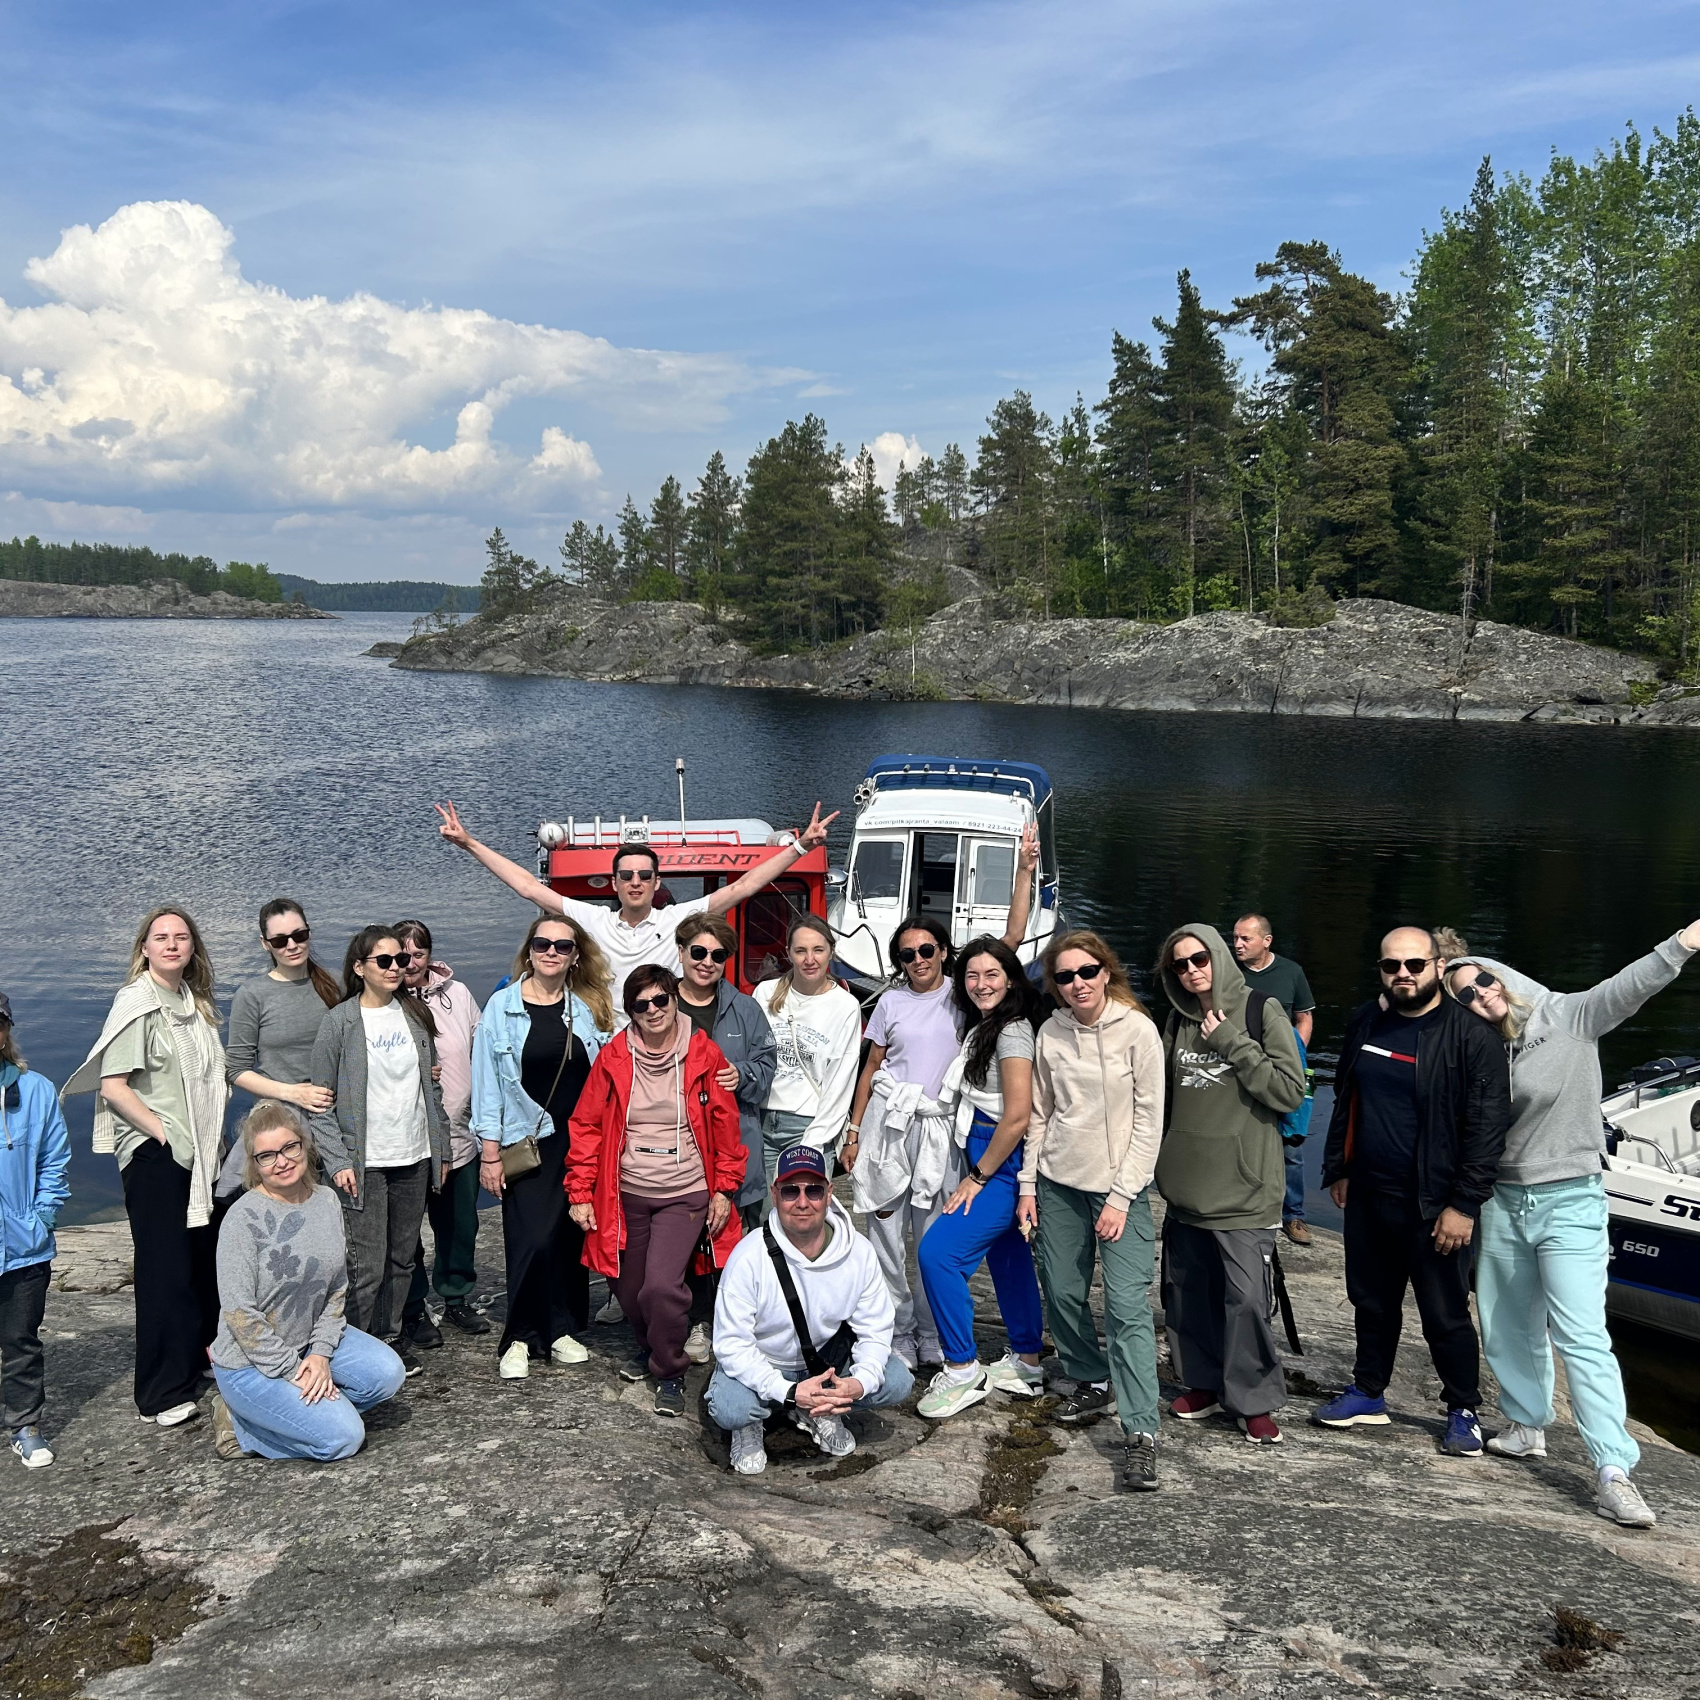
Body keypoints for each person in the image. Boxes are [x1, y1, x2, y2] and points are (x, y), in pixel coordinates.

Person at [1439, 919, 1700, 1529]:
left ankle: (1614, 1469)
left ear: (1497, 972)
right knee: (1505, 1322)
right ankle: (1527, 1424)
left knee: (1582, 1334)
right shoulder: (1475, 1052)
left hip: (1572, 1201)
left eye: (1482, 980)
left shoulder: (1569, 1017)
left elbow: (1627, 987)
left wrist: (1682, 945)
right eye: (1466, 997)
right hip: (1502, 1201)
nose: (1481, 994)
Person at [1315, 927, 1511, 1456]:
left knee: (1444, 1313)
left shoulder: (1471, 1036)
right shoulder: (1367, 1020)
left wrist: (1463, 1204)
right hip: (1369, 1195)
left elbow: (1486, 1127)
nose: (1403, 974)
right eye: (1391, 965)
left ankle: (1463, 1409)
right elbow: (1346, 1098)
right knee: (1371, 1301)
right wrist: (1340, 1167)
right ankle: (1368, 1393)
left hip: (1435, 1204)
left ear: (1437, 968)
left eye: (1415, 965)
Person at [848, 829, 1038, 1370]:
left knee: (932, 1235)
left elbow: (1011, 940)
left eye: (927, 950)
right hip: (890, 1125)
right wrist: (854, 1132)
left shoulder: (964, 994)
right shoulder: (888, 1004)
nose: (917, 960)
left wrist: (1023, 873)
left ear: (944, 953)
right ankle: (897, 1331)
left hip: (941, 1130)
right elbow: (873, 1067)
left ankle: (933, 1332)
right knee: (885, 1235)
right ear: (899, 960)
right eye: (907, 954)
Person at [433, 798, 838, 1020]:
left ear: (657, 883)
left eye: (645, 875)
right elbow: (525, 886)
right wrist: (469, 843)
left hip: (664, 1039)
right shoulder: (593, 920)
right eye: (626, 875)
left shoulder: (676, 920)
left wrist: (801, 846)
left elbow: (747, 885)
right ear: (614, 884)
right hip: (609, 1043)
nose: (635, 882)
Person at [64, 907, 229, 1426]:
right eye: (162, 938)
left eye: (181, 937)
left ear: (192, 948)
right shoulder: (136, 1003)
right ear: (145, 949)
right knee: (165, 1271)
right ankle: (159, 1393)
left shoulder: (193, 1002)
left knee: (201, 1259)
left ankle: (197, 1358)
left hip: (198, 1154)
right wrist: (164, 1133)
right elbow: (113, 1085)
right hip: (157, 1156)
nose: (172, 945)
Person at [1016, 931, 1167, 1492]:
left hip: (1117, 1188)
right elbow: (1039, 1113)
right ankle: (1089, 1376)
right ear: (1054, 985)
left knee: (1127, 1309)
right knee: (1061, 1290)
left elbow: (1150, 1121)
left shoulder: (1138, 1031)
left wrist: (1123, 1195)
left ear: (1106, 972)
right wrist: (1028, 1185)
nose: (1077, 983)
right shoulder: (1050, 1033)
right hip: (1057, 1182)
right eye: (1064, 976)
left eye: (1087, 972)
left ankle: (1141, 1433)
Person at [566, 965, 744, 1417]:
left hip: (684, 1193)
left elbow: (725, 1126)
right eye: (641, 1005)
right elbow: (585, 1125)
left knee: (661, 1288)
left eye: (660, 1000)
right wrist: (580, 1192)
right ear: (631, 1011)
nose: (653, 1010)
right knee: (627, 1290)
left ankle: (669, 1370)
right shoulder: (613, 1057)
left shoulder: (704, 1055)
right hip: (624, 1193)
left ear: (674, 1000)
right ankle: (654, 1350)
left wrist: (723, 1188)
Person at [1155, 923, 1308, 1447]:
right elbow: (1165, 1100)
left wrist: (1230, 1042)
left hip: (1243, 1191)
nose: (1192, 970)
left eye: (1200, 958)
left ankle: (1255, 1400)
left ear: (1219, 956)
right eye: (1179, 964)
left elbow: (1289, 1091)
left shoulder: (1260, 1009)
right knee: (1187, 1294)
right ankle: (1201, 1382)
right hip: (1186, 1189)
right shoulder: (1176, 1019)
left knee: (1245, 1299)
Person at [208, 1103, 407, 1461]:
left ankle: (301, 1414)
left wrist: (319, 1355)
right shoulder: (241, 1220)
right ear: (254, 1163)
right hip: (250, 1363)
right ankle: (240, 1427)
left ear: (304, 1145)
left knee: (387, 1373)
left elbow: (335, 1290)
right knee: (343, 1439)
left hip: (307, 1344)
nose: (281, 1161)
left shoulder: (327, 1200)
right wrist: (293, 1370)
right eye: (266, 1156)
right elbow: (239, 1313)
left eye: (289, 1148)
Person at [707, 1145, 913, 1474]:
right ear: (774, 1195)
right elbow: (731, 1343)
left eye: (814, 1190)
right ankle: (755, 1423)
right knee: (732, 1408)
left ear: (830, 1193)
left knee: (896, 1380)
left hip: (823, 1365)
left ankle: (820, 1408)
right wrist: (788, 1390)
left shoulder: (859, 1253)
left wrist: (856, 1384)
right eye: (791, 1191)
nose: (803, 1202)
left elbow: (875, 1330)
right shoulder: (748, 1257)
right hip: (765, 1364)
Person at [472, 914, 613, 1380]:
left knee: (566, 1237)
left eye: (563, 946)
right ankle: (518, 1336)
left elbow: (603, 1076)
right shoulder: (501, 1008)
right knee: (531, 1238)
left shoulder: (586, 1008)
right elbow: (487, 1085)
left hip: (579, 1143)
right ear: (529, 950)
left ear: (575, 957)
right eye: (543, 944)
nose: (552, 952)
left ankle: (559, 1329)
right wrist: (489, 1153)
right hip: (527, 1140)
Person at [913, 937, 1046, 1419]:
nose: (980, 984)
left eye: (992, 974)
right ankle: (1028, 1360)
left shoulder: (1011, 1032)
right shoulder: (987, 1024)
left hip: (1000, 1163)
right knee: (1009, 1258)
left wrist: (977, 1176)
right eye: (971, 975)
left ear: (1010, 978)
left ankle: (963, 1368)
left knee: (938, 1254)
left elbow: (1016, 1116)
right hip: (991, 1155)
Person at [306, 928, 450, 1362]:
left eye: (401, 961)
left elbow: (431, 1089)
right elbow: (320, 1102)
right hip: (362, 1162)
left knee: (403, 1259)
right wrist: (337, 1161)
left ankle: (388, 1341)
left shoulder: (415, 1015)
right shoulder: (340, 1022)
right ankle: (351, 1349)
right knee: (364, 1266)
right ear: (359, 967)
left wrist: (439, 1147)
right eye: (383, 961)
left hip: (414, 1156)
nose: (395, 968)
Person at [675, 912, 778, 1362]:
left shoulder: (747, 1008)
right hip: (679, 1145)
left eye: (718, 955)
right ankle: (697, 1318)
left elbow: (768, 1063)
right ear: (681, 953)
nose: (707, 962)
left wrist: (745, 1074)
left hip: (736, 1141)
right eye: (698, 952)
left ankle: (739, 1321)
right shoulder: (660, 1005)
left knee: (741, 1238)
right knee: (689, 1238)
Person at [395, 920, 486, 1349]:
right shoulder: (382, 1002)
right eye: (402, 955)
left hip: (458, 1136)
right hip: (407, 1142)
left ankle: (456, 1296)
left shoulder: (460, 995)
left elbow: (481, 1053)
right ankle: (412, 1308)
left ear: (430, 955)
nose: (410, 963)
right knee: (406, 1230)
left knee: (459, 1224)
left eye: (418, 954)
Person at [217, 898, 341, 1204]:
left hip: (337, 1118)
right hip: (282, 1122)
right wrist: (294, 1093)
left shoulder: (337, 983)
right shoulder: (253, 994)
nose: (292, 945)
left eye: (299, 935)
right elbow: (236, 1071)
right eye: (280, 940)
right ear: (265, 944)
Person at [1, 994, 71, 1468]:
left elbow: (55, 1161)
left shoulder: (37, 1090)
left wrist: (40, 1218)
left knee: (20, 1341)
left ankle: (24, 1424)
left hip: (22, 1247)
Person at [751, 915, 863, 1187]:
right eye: (800, 951)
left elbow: (840, 1082)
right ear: (788, 953)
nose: (809, 959)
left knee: (803, 1217)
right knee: (763, 1221)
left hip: (808, 1126)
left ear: (831, 952)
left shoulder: (845, 1006)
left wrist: (813, 1144)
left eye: (818, 950)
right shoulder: (765, 993)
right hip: (760, 1123)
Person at [1231, 914, 1318, 1246]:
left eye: (1245, 939)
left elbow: (1304, 1016)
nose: (1237, 945)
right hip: (1240, 1067)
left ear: (1266, 941)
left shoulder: (1291, 972)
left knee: (1291, 1143)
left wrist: (1294, 1057)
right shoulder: (1230, 973)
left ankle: (1293, 1215)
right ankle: (1241, 1206)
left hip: (1284, 1067)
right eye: (1235, 938)